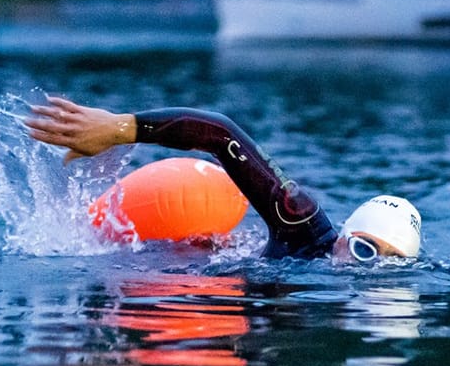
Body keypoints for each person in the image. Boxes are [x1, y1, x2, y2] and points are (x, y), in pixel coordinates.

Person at [23, 96, 421, 263]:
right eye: (364, 252)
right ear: (342, 237)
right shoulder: (302, 226)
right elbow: (220, 132)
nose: (364, 272)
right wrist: (119, 128)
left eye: (390, 264)